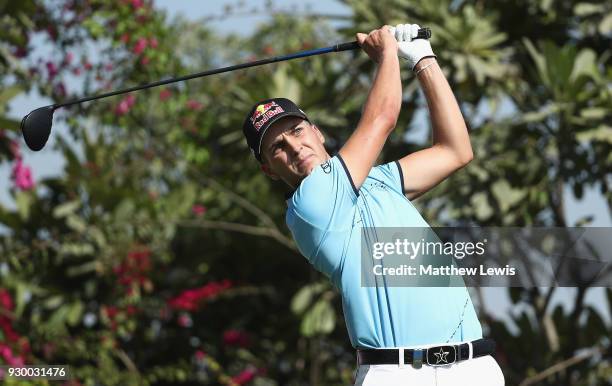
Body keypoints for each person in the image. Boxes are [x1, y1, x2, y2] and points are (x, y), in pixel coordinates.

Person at [242, 24, 505, 385]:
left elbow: (455, 151)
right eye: (277, 148)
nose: (294, 147)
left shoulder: (378, 181)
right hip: (396, 373)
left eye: (297, 131)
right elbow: (383, 118)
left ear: (316, 131)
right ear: (269, 170)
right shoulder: (310, 206)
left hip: (472, 364)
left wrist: (423, 59)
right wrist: (387, 53)